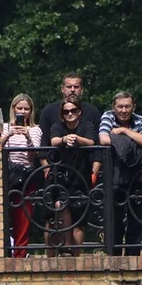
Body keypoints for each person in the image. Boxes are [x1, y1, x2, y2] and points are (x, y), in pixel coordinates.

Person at [99, 91, 142, 255]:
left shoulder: (140, 120)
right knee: (114, 218)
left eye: (127, 106)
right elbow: (103, 139)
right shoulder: (108, 116)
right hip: (115, 175)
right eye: (120, 106)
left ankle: (133, 257)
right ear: (114, 107)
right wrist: (133, 142)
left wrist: (123, 132)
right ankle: (113, 258)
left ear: (133, 107)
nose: (123, 110)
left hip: (138, 175)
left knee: (137, 218)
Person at [47, 94, 99, 255]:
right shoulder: (58, 126)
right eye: (66, 111)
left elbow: (91, 142)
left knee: (79, 222)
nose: (70, 114)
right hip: (60, 176)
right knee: (58, 208)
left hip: (80, 176)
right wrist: (64, 139)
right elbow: (53, 140)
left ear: (80, 111)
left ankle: (75, 256)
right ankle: (64, 248)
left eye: (73, 110)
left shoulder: (87, 126)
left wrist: (76, 138)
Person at [1, 93, 42, 258]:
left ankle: (20, 254)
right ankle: (2, 253)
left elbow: (33, 155)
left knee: (23, 218)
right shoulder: (4, 127)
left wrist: (27, 136)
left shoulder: (35, 129)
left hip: (25, 177)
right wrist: (9, 134)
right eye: (20, 108)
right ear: (13, 109)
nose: (23, 112)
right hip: (6, 176)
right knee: (2, 217)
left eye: (26, 108)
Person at [38, 73, 103, 147]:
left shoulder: (93, 112)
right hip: (56, 157)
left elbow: (96, 143)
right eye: (69, 87)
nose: (72, 90)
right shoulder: (48, 111)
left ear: (81, 90)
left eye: (76, 87)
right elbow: (44, 142)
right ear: (62, 89)